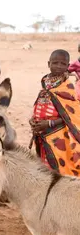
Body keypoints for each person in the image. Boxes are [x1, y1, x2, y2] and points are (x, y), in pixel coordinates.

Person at [30, 49, 80, 177]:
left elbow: (72, 116)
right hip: (42, 134)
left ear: (68, 66)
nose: (58, 66)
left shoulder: (67, 87)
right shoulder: (46, 84)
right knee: (45, 167)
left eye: (63, 64)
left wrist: (50, 123)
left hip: (59, 136)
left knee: (59, 169)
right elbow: (40, 103)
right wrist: (33, 120)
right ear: (48, 64)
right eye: (55, 62)